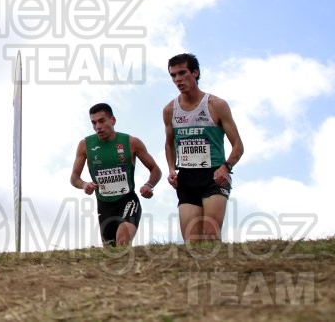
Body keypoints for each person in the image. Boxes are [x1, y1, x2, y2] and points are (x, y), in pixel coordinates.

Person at [163, 53, 244, 242]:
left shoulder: (216, 105)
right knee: (192, 242)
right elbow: (169, 143)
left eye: (182, 73)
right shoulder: (169, 110)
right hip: (187, 179)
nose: (177, 79)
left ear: (195, 72)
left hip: (214, 177)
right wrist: (171, 169)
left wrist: (226, 167)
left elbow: (238, 146)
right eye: (173, 75)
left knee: (210, 236)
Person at [70, 103, 162, 246]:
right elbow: (74, 177)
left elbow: (155, 170)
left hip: (127, 200)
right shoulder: (85, 145)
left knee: (123, 238)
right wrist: (84, 184)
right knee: (111, 251)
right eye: (94, 123)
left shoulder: (131, 142)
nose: (97, 127)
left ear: (113, 120)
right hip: (104, 205)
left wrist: (149, 185)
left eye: (102, 121)